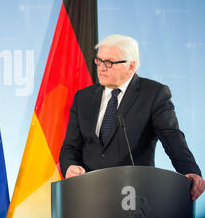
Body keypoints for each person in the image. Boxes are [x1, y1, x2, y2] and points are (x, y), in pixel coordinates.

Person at [59, 34, 205, 201]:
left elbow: (172, 139)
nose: (101, 68)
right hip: (88, 194)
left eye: (109, 63)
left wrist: (190, 170)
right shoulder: (83, 97)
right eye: (99, 61)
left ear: (131, 66)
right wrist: (70, 166)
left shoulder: (154, 94)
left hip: (134, 195)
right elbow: (70, 146)